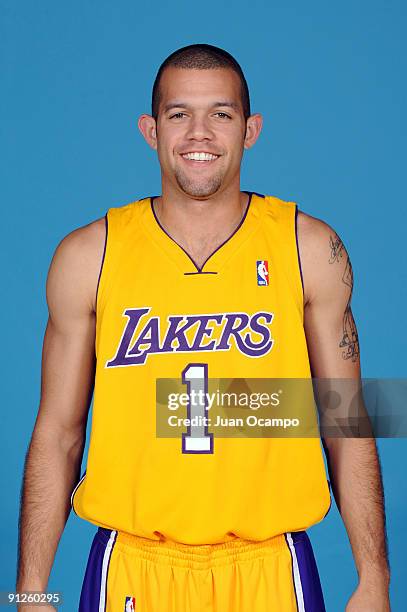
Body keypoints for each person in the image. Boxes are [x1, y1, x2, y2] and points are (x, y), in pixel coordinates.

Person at [16, 44, 390, 611]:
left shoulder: (308, 248)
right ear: (150, 129)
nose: (199, 133)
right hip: (133, 562)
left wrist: (373, 576)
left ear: (250, 129)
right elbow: (57, 432)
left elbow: (347, 418)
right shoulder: (89, 255)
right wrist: (32, 590)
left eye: (220, 113)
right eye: (178, 114)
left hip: (271, 563)